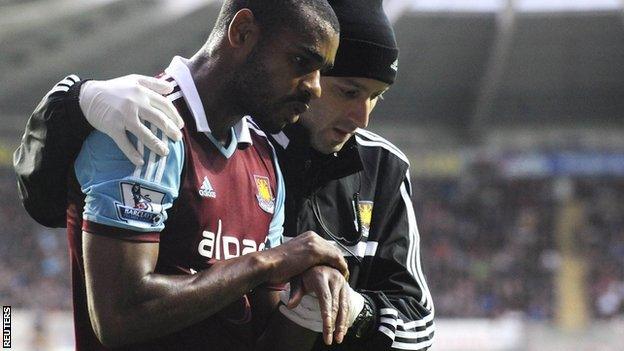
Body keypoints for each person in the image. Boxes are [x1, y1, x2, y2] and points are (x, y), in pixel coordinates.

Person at [14, 0, 435, 350]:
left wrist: (319, 299)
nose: (314, 87)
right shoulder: (145, 123)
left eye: (376, 97)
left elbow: (265, 333)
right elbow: (119, 316)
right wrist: (73, 98)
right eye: (305, 65)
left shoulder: (263, 153)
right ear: (243, 32)